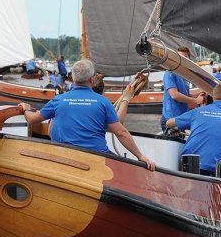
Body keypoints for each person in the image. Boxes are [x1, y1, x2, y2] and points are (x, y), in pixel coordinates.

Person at [22, 59, 155, 170]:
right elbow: (121, 132)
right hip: (96, 158)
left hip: (64, 158)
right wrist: (140, 156)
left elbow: (32, 120)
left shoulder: (58, 100)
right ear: (91, 80)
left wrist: (25, 108)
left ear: (73, 79)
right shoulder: (103, 102)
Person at [166, 83, 221, 176]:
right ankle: (220, 181)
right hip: (212, 168)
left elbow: (168, 123)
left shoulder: (197, 111)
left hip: (188, 162)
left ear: (213, 98)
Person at [160, 46, 204, 130]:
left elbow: (187, 94)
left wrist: (204, 90)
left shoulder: (183, 75)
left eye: (184, 58)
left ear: (188, 60)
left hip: (181, 119)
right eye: (179, 57)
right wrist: (195, 100)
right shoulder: (169, 73)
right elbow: (175, 95)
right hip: (171, 119)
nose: (181, 60)